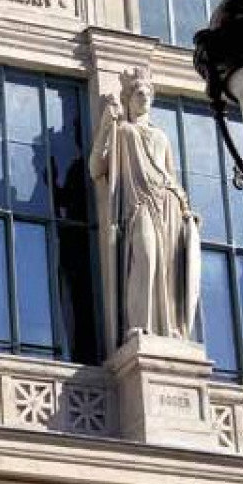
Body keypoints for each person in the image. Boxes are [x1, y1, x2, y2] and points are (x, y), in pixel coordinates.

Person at [91, 67, 199, 343]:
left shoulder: (161, 136)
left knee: (168, 266)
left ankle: (167, 327)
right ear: (128, 98)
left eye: (148, 94)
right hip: (138, 203)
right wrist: (105, 126)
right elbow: (95, 168)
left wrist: (186, 210)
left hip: (168, 202)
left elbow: (171, 175)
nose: (144, 98)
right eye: (139, 93)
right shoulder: (123, 131)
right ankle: (138, 324)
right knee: (146, 257)